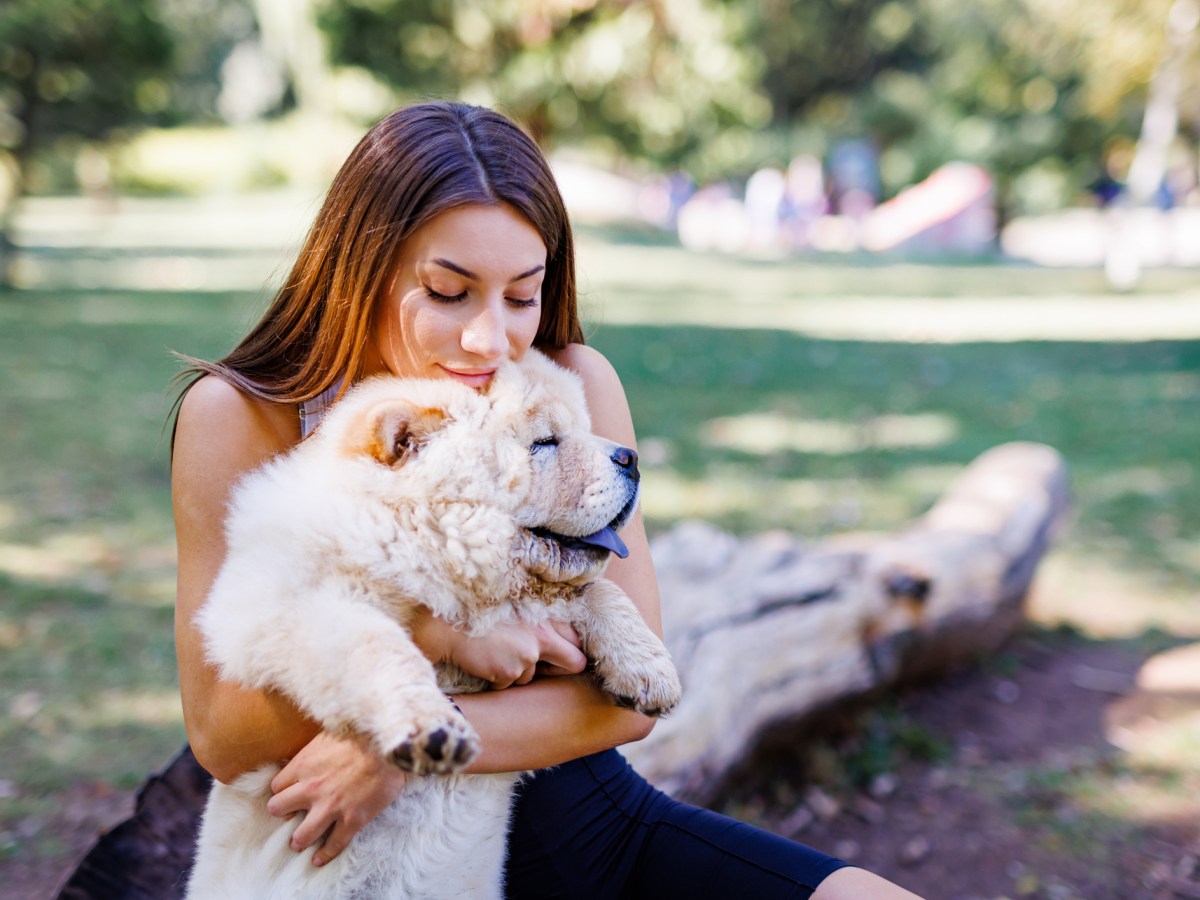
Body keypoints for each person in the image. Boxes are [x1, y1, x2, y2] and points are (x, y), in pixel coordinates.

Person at [171, 100, 923, 899]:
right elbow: (222, 731)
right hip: (359, 868)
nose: (489, 342)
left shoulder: (570, 388)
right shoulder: (247, 416)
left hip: (579, 827)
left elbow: (630, 701)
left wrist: (404, 750)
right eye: (448, 291)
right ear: (364, 267)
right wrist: (428, 645)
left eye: (521, 296)